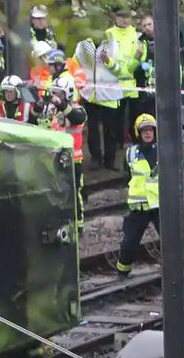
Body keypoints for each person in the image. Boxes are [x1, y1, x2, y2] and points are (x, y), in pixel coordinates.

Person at [115, 114, 159, 278]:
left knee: (171, 242)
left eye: (150, 130)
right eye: (144, 131)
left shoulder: (162, 150)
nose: (148, 134)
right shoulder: (130, 153)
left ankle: (177, 271)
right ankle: (122, 273)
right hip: (139, 207)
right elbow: (128, 176)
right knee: (129, 242)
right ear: (138, 133)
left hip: (159, 205)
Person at [42, 77, 87, 232]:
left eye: (59, 93)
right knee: (56, 192)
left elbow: (76, 118)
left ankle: (78, 225)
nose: (55, 96)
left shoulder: (78, 109)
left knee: (74, 193)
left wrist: (59, 104)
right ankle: (61, 222)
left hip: (73, 160)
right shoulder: (53, 111)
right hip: (54, 158)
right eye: (54, 93)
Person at [76, 38, 126, 170]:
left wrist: (109, 61)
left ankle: (110, 160)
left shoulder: (113, 44)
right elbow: (76, 63)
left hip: (109, 93)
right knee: (92, 129)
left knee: (110, 129)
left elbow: (122, 69)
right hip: (90, 93)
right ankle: (96, 159)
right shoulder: (83, 44)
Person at [105, 8, 144, 143]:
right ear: (115, 17)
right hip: (115, 83)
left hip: (132, 83)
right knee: (115, 118)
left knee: (134, 116)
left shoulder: (136, 34)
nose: (125, 20)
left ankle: (135, 142)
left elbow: (140, 56)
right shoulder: (108, 34)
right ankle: (118, 144)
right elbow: (106, 59)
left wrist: (132, 64)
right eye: (122, 17)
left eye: (127, 17)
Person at [135, 14, 157, 116]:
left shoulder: (164, 38)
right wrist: (138, 58)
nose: (147, 28)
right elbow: (135, 67)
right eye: (144, 26)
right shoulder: (140, 41)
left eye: (149, 24)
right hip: (146, 87)